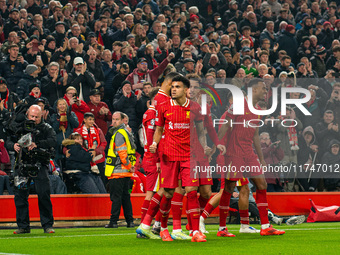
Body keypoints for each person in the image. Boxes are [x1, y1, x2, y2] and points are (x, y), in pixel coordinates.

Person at [138, 75, 207, 242]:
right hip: (169, 155)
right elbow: (159, 130)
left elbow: (201, 131)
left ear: (186, 89)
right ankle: (162, 228)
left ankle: (196, 231)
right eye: (173, 86)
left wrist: (203, 149)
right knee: (168, 194)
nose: (174, 89)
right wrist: (154, 144)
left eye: (177, 87)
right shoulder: (163, 107)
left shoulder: (195, 108)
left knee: (191, 191)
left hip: (189, 155)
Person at [218, 78, 285, 236]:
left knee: (261, 184)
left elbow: (255, 135)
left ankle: (265, 227)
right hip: (234, 153)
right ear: (254, 90)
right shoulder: (238, 105)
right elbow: (225, 125)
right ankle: (222, 228)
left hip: (249, 153)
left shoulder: (257, 110)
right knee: (228, 188)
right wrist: (217, 145)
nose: (265, 91)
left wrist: (261, 158)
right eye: (263, 88)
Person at [6, 105, 56, 234]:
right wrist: (14, 145)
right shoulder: (19, 126)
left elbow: (53, 141)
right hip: (22, 163)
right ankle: (23, 226)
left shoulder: (46, 128)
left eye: (37, 117)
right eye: (32, 116)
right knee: (20, 195)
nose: (33, 119)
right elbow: (8, 141)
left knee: (44, 193)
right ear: (27, 114)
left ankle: (47, 225)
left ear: (42, 116)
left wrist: (37, 144)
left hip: (39, 163)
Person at [105, 111, 136, 228]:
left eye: (117, 119)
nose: (114, 121)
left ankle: (113, 221)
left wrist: (128, 165)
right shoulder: (127, 133)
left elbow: (122, 153)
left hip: (118, 171)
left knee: (116, 198)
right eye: (113, 119)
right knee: (126, 198)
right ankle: (130, 221)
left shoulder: (118, 133)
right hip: (126, 172)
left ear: (123, 121)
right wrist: (130, 167)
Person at [76, 112, 107, 185]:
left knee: (101, 179)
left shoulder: (98, 131)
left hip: (99, 159)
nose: (92, 121)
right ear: (84, 120)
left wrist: (96, 151)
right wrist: (88, 153)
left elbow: (104, 143)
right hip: (86, 159)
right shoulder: (78, 131)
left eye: (93, 120)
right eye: (90, 119)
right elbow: (77, 145)